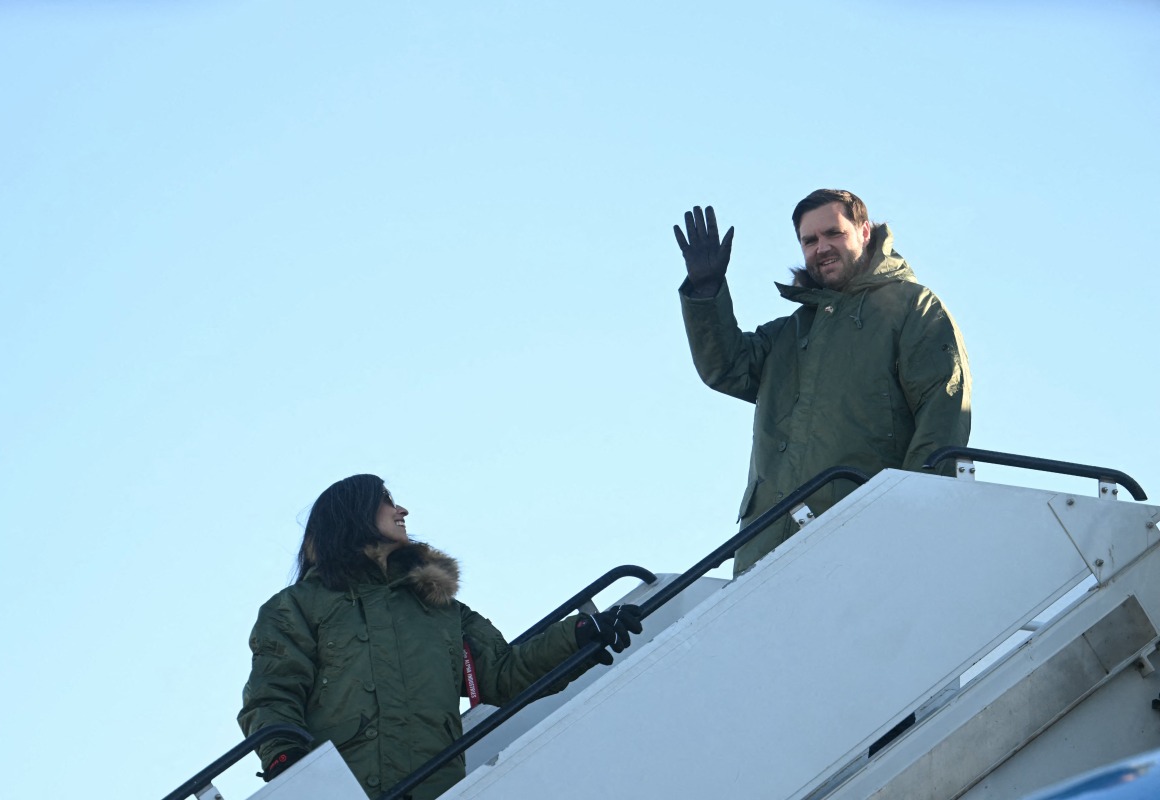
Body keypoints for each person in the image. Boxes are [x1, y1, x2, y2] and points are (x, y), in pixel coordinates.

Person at [238, 474, 641, 799]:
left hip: (437, 789)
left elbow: (504, 673)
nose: (402, 510)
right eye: (387, 500)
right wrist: (287, 764)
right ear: (352, 513)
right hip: (343, 792)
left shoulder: (441, 609)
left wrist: (581, 634)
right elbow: (273, 694)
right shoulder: (298, 606)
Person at [674, 189, 971, 576]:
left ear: (864, 232)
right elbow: (726, 368)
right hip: (765, 547)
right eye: (809, 240)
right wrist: (705, 291)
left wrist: (912, 513)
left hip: (863, 540)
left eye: (834, 233)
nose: (822, 248)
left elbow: (942, 413)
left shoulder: (912, 309)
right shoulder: (788, 334)